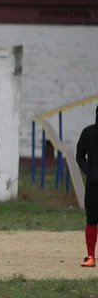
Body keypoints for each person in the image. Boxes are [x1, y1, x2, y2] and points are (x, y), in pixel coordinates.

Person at [76, 104, 98, 267]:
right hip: (94, 185)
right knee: (91, 220)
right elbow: (79, 156)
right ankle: (90, 256)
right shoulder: (89, 132)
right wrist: (90, 174)